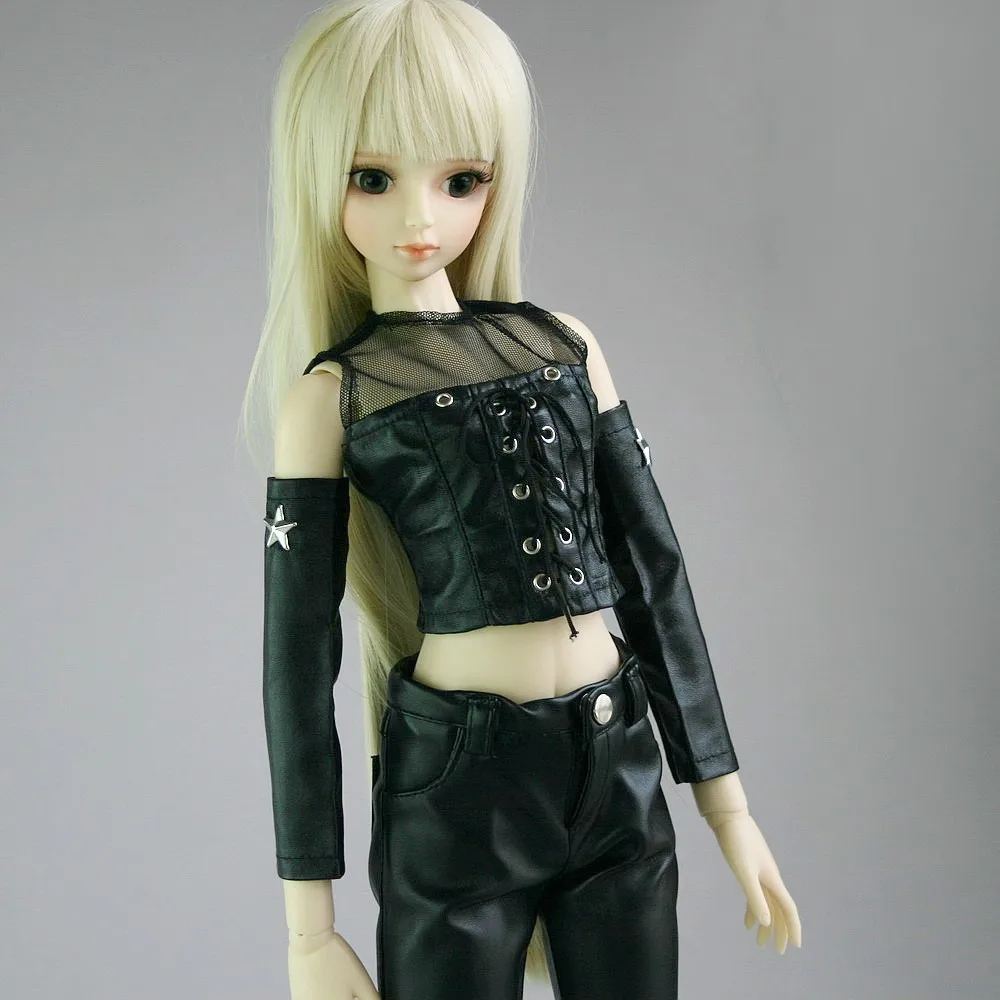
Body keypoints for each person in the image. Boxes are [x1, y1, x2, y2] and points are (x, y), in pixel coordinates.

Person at [239, 2, 802, 998]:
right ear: (317, 177)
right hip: (461, 786)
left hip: (617, 759)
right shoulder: (333, 396)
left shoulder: (564, 344)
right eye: (372, 178)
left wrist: (726, 801)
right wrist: (308, 928)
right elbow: (297, 666)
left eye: (460, 179)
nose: (420, 219)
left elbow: (653, 573)